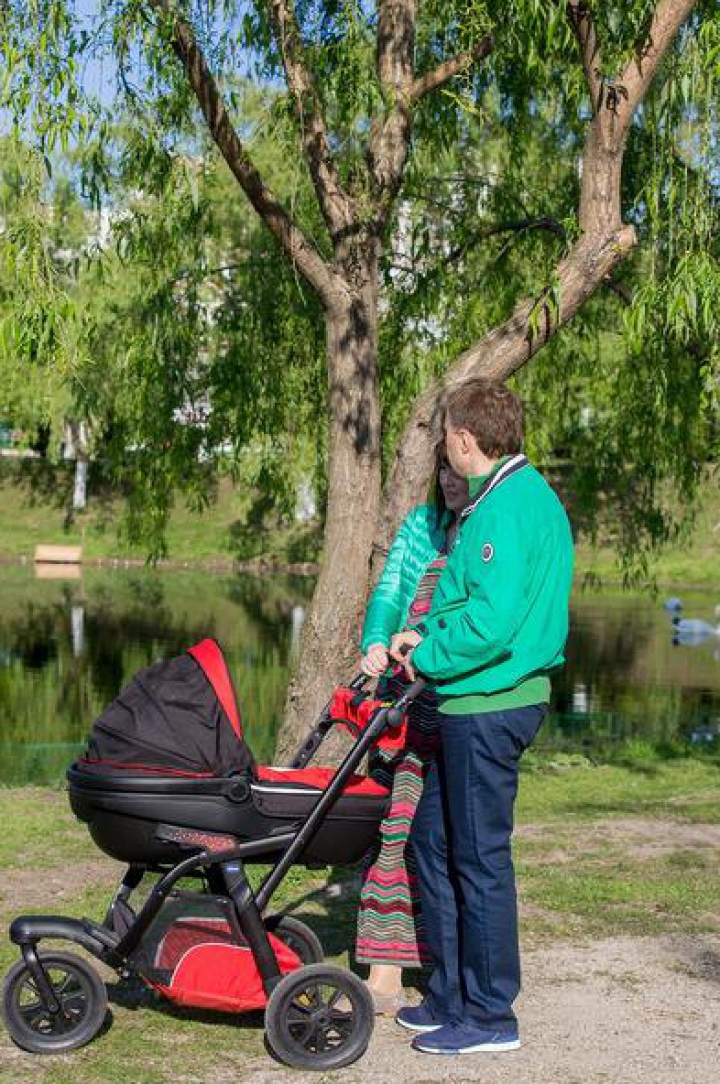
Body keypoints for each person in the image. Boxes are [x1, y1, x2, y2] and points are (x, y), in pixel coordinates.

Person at [390, 378, 574, 1055]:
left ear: (464, 440)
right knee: (433, 844)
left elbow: (493, 624)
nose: (444, 445)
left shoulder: (507, 508)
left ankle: (491, 1016)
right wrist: (424, 635)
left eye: (445, 435)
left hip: (490, 702)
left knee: (478, 858)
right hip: (473, 697)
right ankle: (450, 994)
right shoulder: (510, 499)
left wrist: (428, 652)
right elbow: (476, 603)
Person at [355, 444, 470, 1013]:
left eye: (457, 468)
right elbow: (392, 590)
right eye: (441, 470)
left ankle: (410, 963)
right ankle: (388, 966)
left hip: (447, 702)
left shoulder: (484, 529)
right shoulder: (423, 525)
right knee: (389, 828)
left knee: (424, 833)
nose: (449, 480)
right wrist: (375, 640)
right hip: (401, 698)